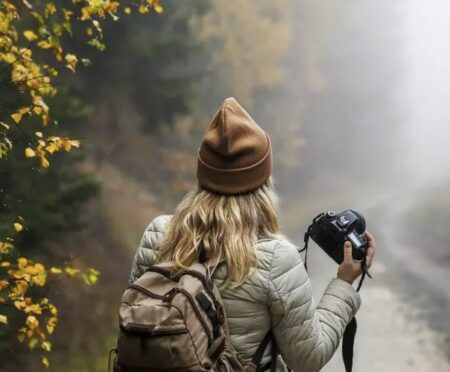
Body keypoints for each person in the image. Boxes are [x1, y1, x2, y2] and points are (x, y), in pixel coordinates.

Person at [128, 97, 376, 372]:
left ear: (203, 175)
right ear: (263, 183)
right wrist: (343, 283)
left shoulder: (159, 234)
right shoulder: (275, 259)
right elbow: (307, 359)